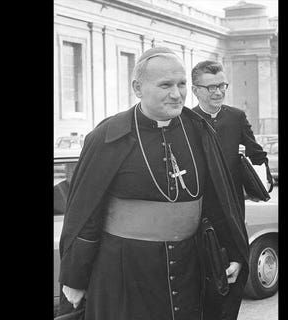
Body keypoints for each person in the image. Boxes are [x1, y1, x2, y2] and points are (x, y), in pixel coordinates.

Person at [57, 47, 249, 320]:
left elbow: (219, 201)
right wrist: (75, 278)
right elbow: (85, 213)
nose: (176, 93)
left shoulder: (199, 130)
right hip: (125, 272)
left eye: (182, 84)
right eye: (165, 85)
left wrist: (232, 252)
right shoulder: (108, 136)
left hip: (189, 269)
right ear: (138, 87)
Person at [191, 60, 269, 320]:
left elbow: (258, 156)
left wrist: (257, 174)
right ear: (195, 90)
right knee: (204, 288)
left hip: (232, 210)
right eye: (211, 87)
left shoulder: (236, 117)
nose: (218, 92)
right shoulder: (185, 121)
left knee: (233, 279)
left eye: (222, 85)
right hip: (198, 214)